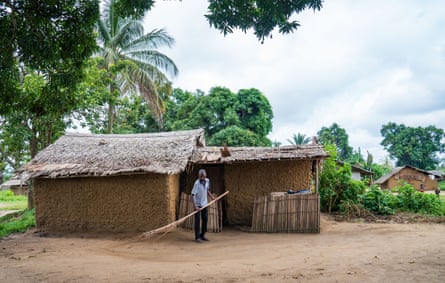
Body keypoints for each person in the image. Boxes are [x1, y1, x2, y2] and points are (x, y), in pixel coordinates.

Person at [191, 169, 214, 243]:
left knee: (205, 219)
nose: (203, 179)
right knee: (197, 221)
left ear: (205, 176)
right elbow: (193, 195)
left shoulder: (207, 181)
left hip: (205, 204)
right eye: (201, 177)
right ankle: (197, 237)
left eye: (204, 177)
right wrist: (195, 206)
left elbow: (207, 190)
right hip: (197, 205)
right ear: (199, 177)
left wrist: (212, 197)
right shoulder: (196, 183)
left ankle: (202, 235)